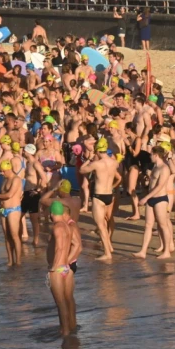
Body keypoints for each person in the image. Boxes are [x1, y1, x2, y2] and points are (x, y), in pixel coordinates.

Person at [78, 138, 119, 260]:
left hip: (99, 196)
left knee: (101, 226)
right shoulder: (114, 162)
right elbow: (118, 177)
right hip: (109, 195)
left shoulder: (96, 164)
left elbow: (81, 170)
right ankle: (109, 247)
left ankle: (107, 253)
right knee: (106, 222)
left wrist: (90, 158)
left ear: (97, 150)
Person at [47, 202, 80, 337]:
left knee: (60, 303)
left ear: (52, 214)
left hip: (58, 269)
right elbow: (76, 245)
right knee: (67, 300)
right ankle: (71, 329)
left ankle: (65, 332)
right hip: (65, 268)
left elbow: (59, 248)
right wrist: (66, 264)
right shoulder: (68, 226)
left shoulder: (58, 227)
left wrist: (54, 268)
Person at [0, 159, 23, 266]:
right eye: (1, 171)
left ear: (9, 169)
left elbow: (9, 195)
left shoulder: (16, 180)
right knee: (7, 236)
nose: (2, 173)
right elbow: (3, 194)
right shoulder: (4, 179)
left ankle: (18, 261)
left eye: (3, 171)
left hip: (13, 210)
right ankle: (10, 260)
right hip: (3, 209)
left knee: (15, 236)